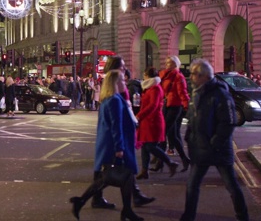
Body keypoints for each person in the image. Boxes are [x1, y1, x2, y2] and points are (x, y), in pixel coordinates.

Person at [69, 70, 143, 221]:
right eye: (122, 80)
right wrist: (119, 148)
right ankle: (124, 210)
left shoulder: (109, 99)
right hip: (116, 145)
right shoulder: (114, 100)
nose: (125, 83)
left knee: (114, 178)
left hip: (111, 144)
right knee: (114, 177)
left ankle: (82, 201)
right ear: (115, 83)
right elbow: (116, 126)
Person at [181, 59, 248, 221]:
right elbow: (193, 117)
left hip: (218, 149)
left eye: (193, 74)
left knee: (231, 185)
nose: (191, 77)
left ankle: (242, 216)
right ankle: (188, 217)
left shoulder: (220, 94)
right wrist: (189, 135)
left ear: (203, 76)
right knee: (192, 185)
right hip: (200, 148)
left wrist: (215, 143)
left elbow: (228, 122)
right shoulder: (197, 92)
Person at [135, 67, 178, 179]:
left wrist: (139, 115)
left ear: (148, 76)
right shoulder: (149, 88)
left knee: (150, 146)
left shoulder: (155, 89)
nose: (143, 77)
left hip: (153, 121)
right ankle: (144, 170)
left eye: (144, 75)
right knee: (145, 146)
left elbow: (153, 106)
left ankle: (170, 162)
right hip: (147, 121)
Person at [159, 56, 191, 172]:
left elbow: (182, 92)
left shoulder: (178, 76)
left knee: (163, 133)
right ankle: (185, 159)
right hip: (166, 106)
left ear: (175, 64)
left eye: (170, 63)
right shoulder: (164, 76)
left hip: (175, 106)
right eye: (167, 62)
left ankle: (161, 161)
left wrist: (186, 106)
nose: (167, 65)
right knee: (172, 135)